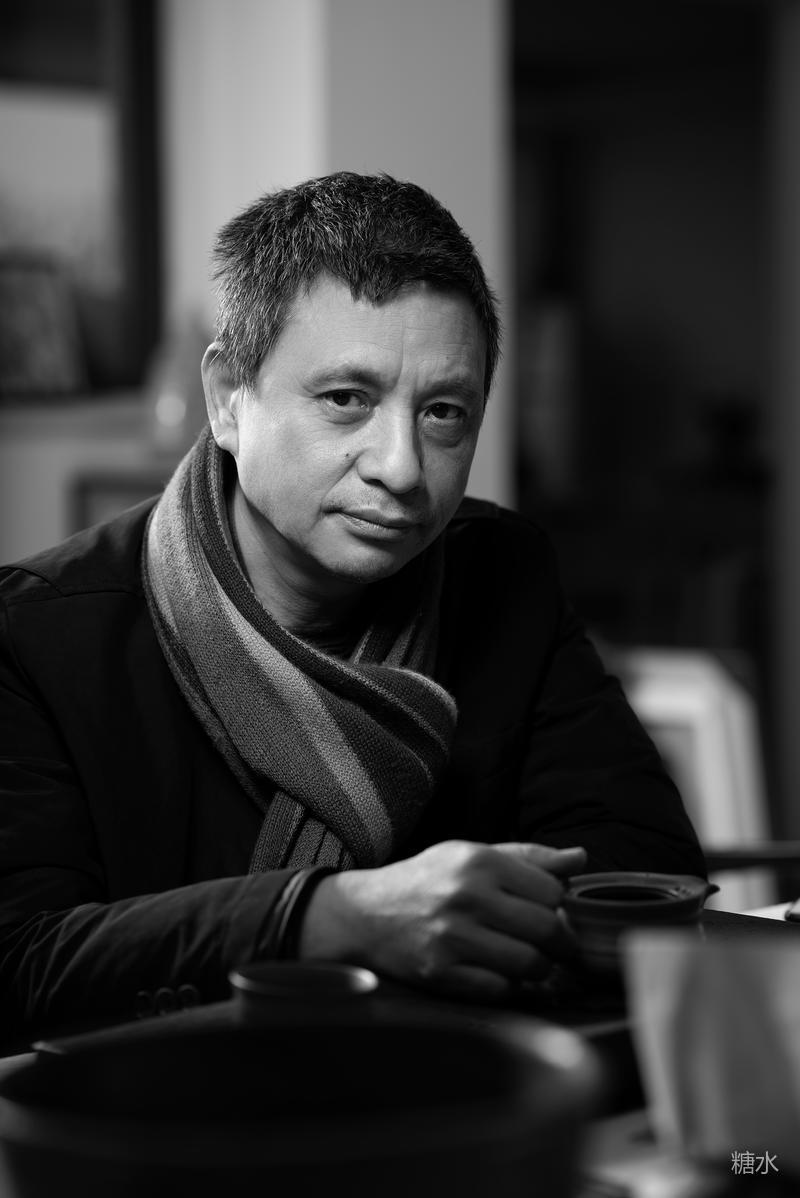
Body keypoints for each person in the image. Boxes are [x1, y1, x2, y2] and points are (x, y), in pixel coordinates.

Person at [0, 172, 705, 1038]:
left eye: (443, 413)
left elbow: (641, 872)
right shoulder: (36, 635)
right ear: (227, 399)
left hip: (453, 1086)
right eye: (346, 400)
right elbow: (20, 963)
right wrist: (332, 918)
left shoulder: (503, 575)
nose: (401, 468)